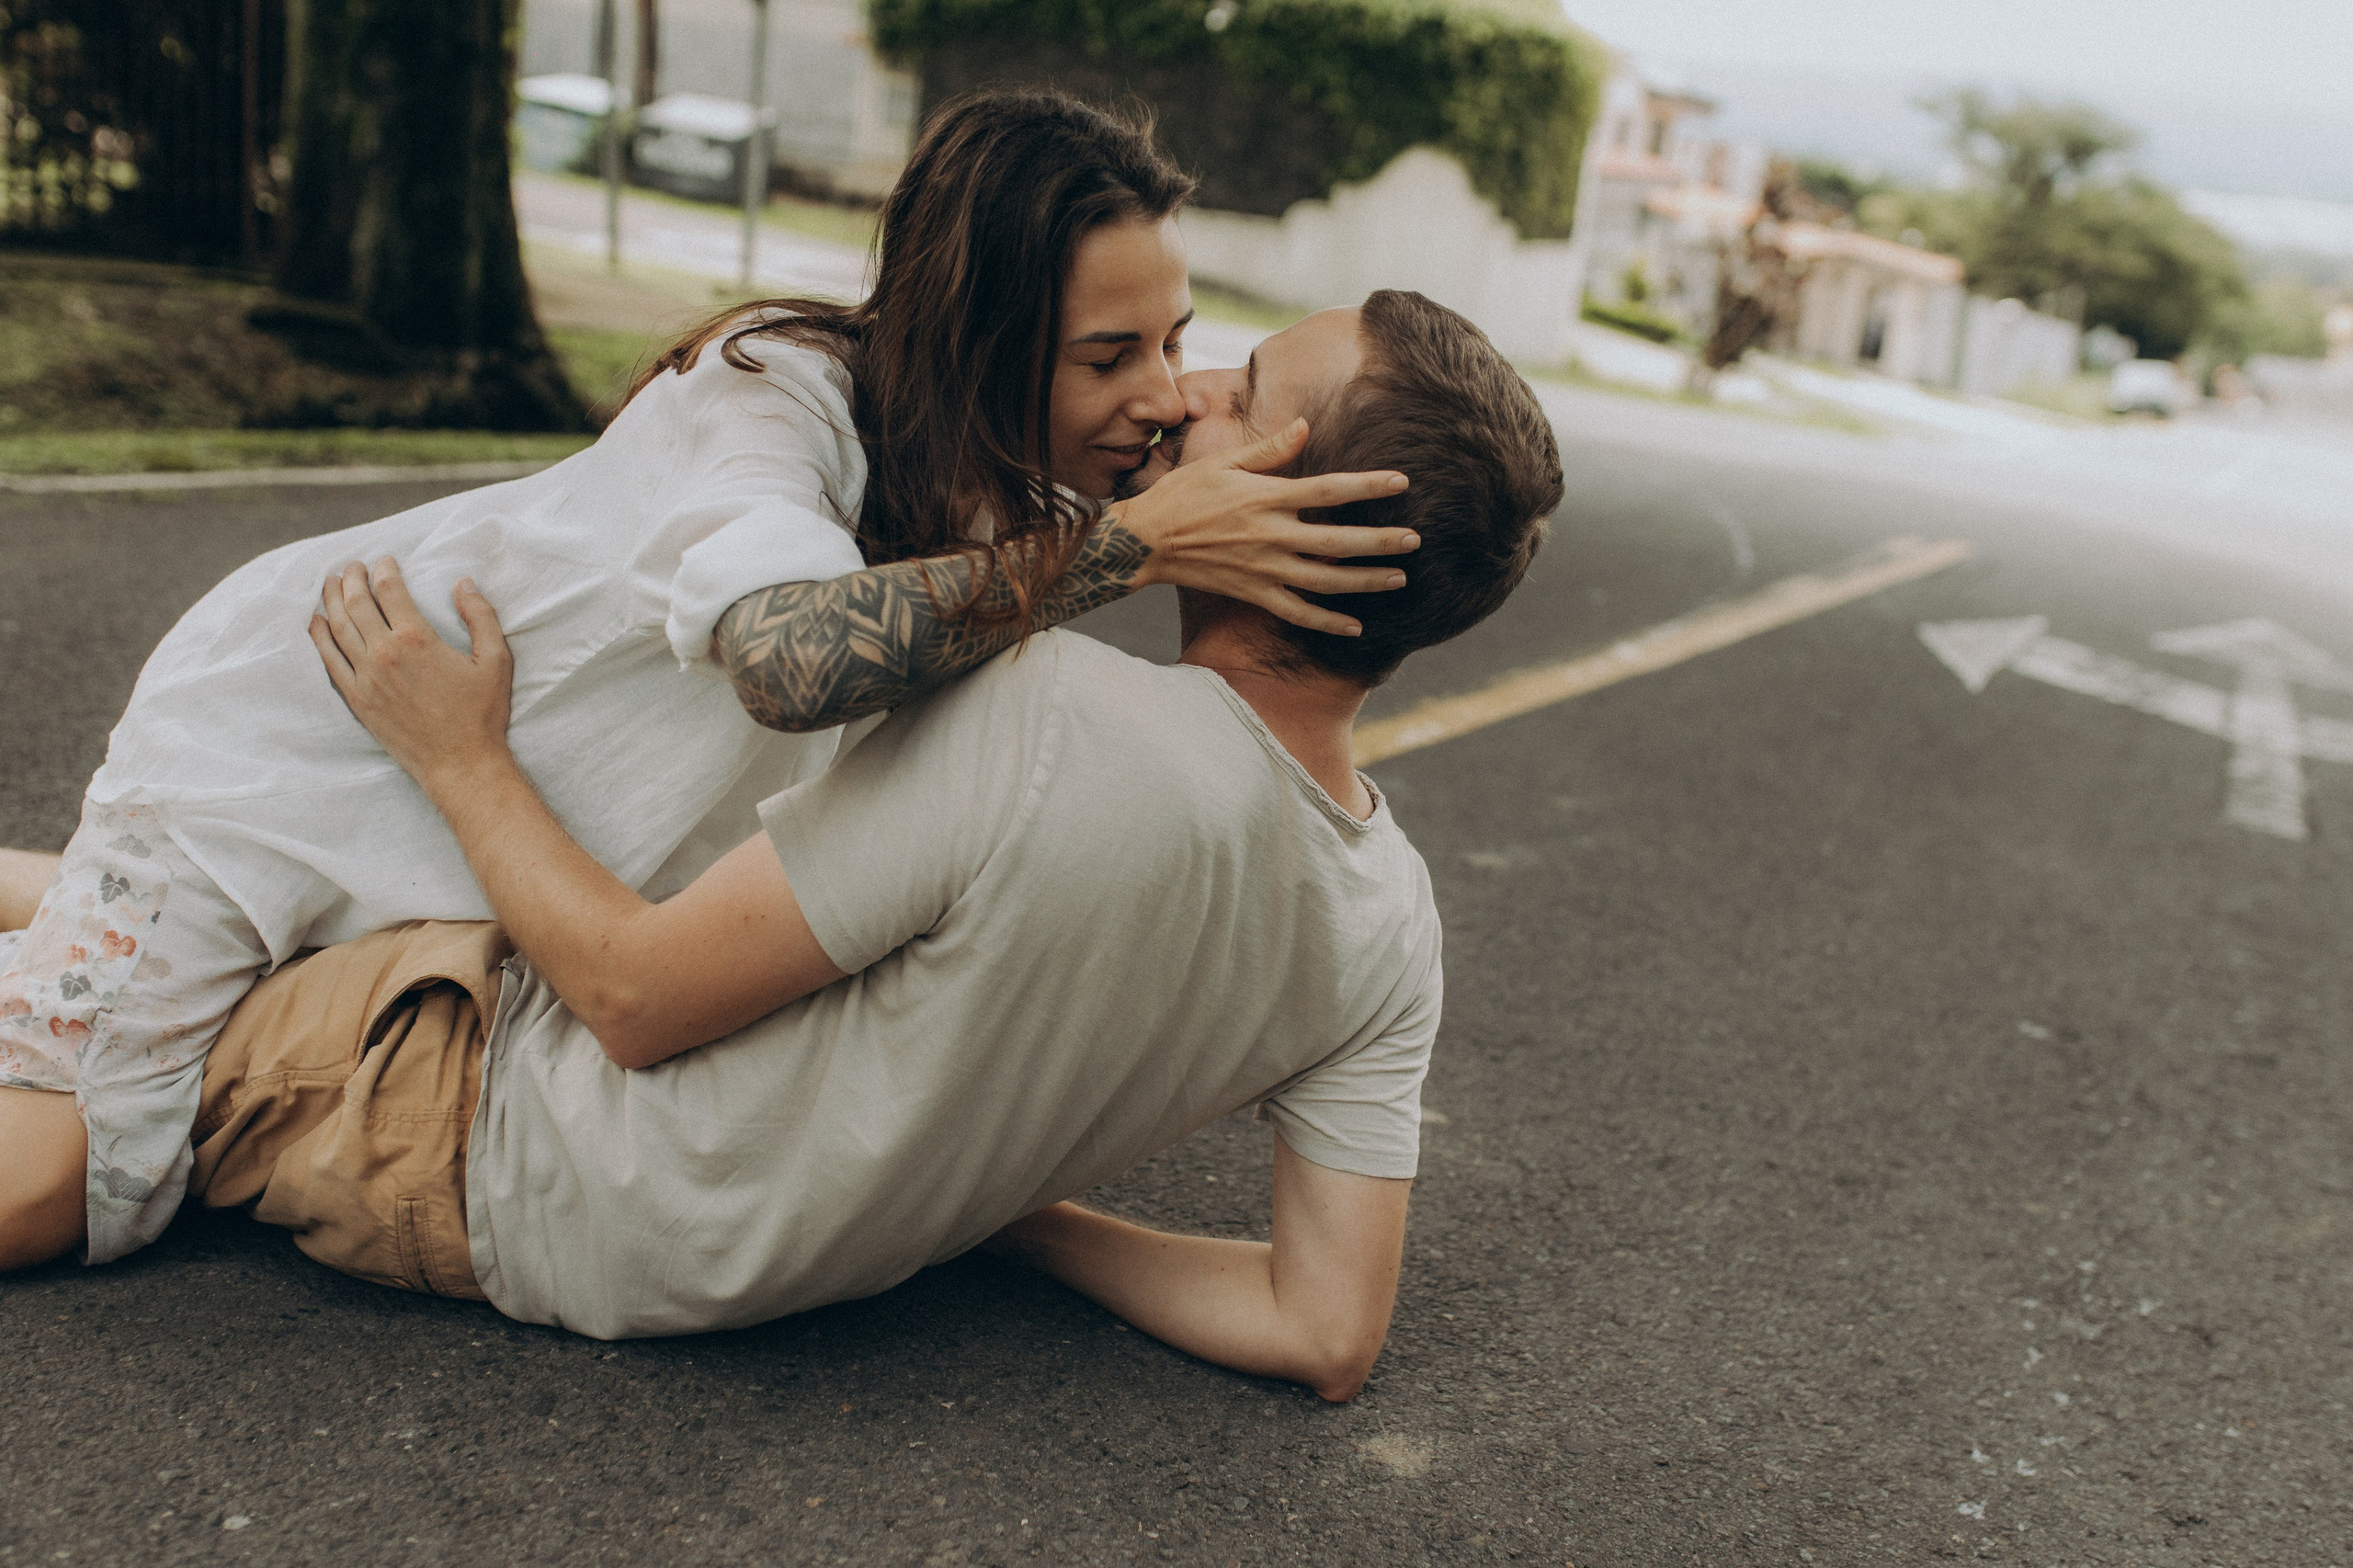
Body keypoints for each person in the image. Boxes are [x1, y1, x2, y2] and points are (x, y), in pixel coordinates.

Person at [1, 290, 1563, 1399]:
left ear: (1311, 506)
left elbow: (624, 992)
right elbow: (1320, 1326)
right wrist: (1008, 1215)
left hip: (481, 1123)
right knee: (171, 909)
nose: (1187, 393)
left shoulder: (1038, 711)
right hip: (691, 1234)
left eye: (1241, 390)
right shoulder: (1388, 913)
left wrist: (454, 749)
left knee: (82, 1107)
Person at [0, 90, 1417, 1269]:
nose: (1167, 394)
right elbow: (784, 659)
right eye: (1110, 355)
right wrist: (1125, 553)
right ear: (973, 338)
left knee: (170, 969)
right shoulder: (778, 397)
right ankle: (107, 916)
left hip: (437, 849)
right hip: (293, 748)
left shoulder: (1012, 506)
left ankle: (77, 907)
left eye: (1173, 343)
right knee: (56, 1181)